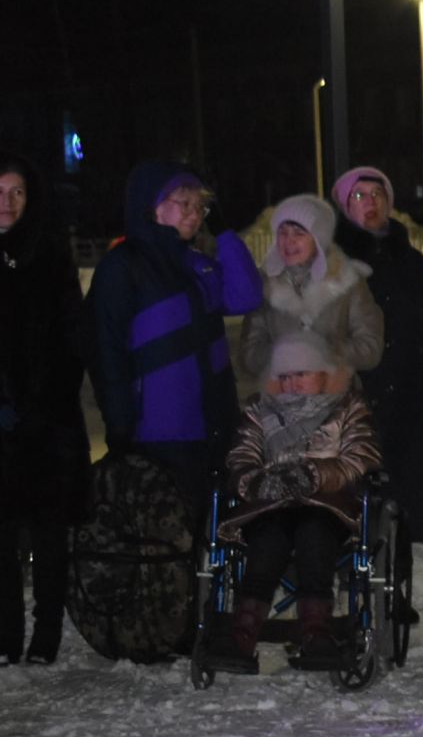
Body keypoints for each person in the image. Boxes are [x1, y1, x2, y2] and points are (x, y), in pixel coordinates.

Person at [86, 162, 263, 514]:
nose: (195, 214)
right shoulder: (122, 266)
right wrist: (119, 423)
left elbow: (246, 296)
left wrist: (225, 233)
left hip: (212, 425)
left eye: (201, 207)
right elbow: (105, 349)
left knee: (209, 535)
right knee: (165, 541)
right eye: (185, 203)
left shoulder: (198, 264)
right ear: (151, 205)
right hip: (157, 432)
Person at [204, 332, 380, 673]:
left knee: (314, 538)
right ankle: (242, 633)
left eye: (301, 374)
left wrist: (313, 475)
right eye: (284, 376)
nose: (292, 383)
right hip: (270, 505)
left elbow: (360, 457)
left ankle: (316, 631)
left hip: (327, 505)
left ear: (323, 373)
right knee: (267, 544)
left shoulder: (347, 409)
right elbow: (241, 457)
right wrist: (257, 481)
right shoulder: (259, 410)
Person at [334, 166, 423, 624]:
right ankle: (350, 590)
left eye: (377, 194)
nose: (370, 203)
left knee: (401, 500)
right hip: (350, 400)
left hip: (405, 398)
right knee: (351, 496)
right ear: (344, 205)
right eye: (359, 196)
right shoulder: (332, 259)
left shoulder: (410, 260)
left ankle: (394, 590)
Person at [0, 149, 88, 665]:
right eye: (0, 193)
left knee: (50, 532)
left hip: (48, 421)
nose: (7, 203)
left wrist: (43, 403)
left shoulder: (51, 256)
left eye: (17, 192)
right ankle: (7, 636)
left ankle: (46, 634)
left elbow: (70, 337)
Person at [241, 195, 383, 378]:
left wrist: (326, 351)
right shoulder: (264, 285)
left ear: (319, 239)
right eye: (282, 232)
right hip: (282, 401)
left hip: (336, 399)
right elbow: (248, 355)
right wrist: (281, 355)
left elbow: (371, 348)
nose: (288, 241)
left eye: (299, 233)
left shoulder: (348, 282)